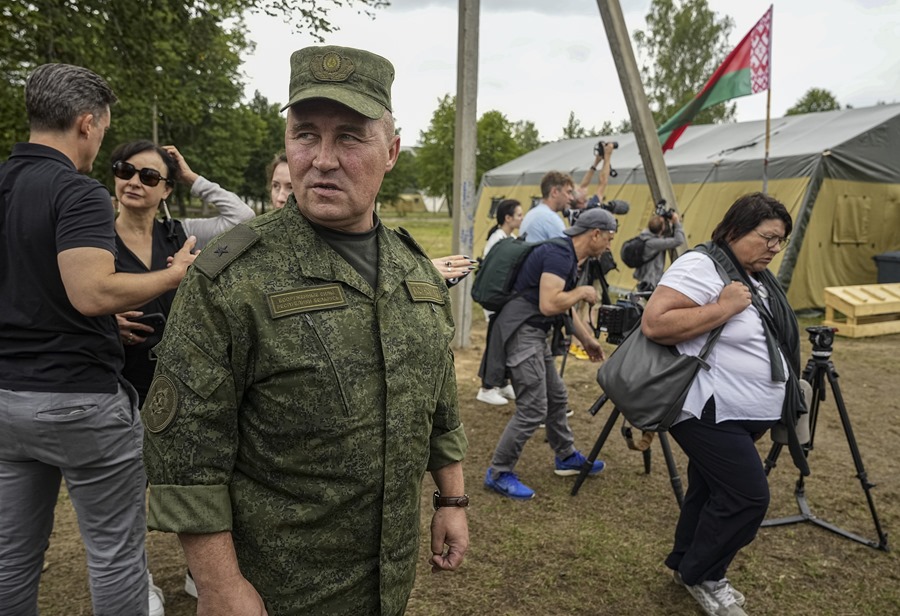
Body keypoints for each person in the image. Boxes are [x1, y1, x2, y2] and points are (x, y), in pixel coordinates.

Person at [142, 45, 469, 615]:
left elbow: (436, 396)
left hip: (387, 578)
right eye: (305, 134)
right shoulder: (233, 278)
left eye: (349, 136)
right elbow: (185, 451)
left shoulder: (412, 269)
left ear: (389, 151)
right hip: (277, 590)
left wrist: (452, 497)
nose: (321, 158)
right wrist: (219, 586)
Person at [0, 63, 195, 616]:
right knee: (114, 556)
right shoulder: (78, 192)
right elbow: (91, 292)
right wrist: (173, 276)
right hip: (78, 400)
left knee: (11, 558)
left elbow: (34, 289)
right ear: (87, 123)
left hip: (7, 402)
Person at [641, 192, 807, 616]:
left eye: (779, 241)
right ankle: (705, 575)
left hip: (741, 412)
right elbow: (656, 323)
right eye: (767, 237)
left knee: (711, 489)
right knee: (748, 498)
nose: (773, 248)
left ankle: (683, 564)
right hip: (705, 409)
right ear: (735, 230)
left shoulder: (754, 275)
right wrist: (721, 307)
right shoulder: (701, 265)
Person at [482, 208, 618, 499]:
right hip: (522, 332)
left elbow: (563, 305)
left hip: (533, 333)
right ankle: (498, 472)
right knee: (532, 408)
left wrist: (588, 340)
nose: (609, 246)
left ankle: (566, 456)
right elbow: (549, 303)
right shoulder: (559, 255)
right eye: (608, 239)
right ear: (594, 233)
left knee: (556, 398)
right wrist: (582, 293)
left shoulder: (568, 255)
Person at [114, 140, 256, 402]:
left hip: (174, 379)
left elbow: (243, 219)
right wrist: (104, 324)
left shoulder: (182, 234)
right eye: (125, 171)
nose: (134, 182)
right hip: (117, 382)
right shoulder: (94, 240)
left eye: (148, 176)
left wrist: (190, 178)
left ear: (167, 189)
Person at [476, 198, 523, 406]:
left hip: (502, 300)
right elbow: (492, 271)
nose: (522, 218)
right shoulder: (496, 239)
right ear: (508, 218)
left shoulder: (509, 237)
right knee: (496, 344)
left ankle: (502, 382)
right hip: (495, 300)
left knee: (503, 343)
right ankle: (487, 387)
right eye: (519, 215)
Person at [632, 212, 686, 293]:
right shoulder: (654, 243)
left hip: (646, 276)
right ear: (662, 229)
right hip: (650, 280)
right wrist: (676, 222)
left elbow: (662, 234)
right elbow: (678, 240)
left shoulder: (645, 235)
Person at [518, 171, 574, 241]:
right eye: (568, 192)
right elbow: (566, 250)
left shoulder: (531, 213)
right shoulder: (550, 218)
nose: (571, 198)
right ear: (554, 192)